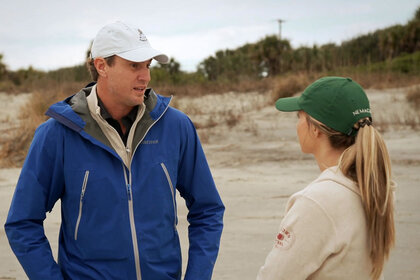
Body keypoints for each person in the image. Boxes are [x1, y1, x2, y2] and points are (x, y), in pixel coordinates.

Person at [5, 21, 224, 280]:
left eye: (147, 65)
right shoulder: (57, 134)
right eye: (134, 65)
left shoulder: (176, 127)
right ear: (101, 66)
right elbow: (22, 223)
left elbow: (208, 210)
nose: (146, 76)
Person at [256, 77, 395, 280]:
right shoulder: (374, 187)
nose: (297, 125)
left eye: (299, 116)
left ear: (315, 129)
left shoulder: (318, 202)